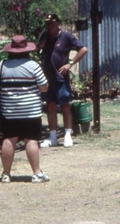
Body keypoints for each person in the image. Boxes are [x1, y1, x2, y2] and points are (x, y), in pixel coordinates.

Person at [0, 35, 50, 184]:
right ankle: (36, 173)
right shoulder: (33, 65)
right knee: (31, 140)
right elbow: (44, 87)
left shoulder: (2, 65)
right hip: (31, 110)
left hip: (9, 110)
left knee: (9, 139)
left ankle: (6, 174)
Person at [37, 13, 88, 148]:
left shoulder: (66, 37)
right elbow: (38, 51)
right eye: (47, 24)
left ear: (58, 23)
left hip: (60, 78)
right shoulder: (45, 36)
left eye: (52, 23)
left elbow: (83, 49)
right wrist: (39, 46)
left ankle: (67, 135)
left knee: (65, 105)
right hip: (47, 77)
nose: (50, 26)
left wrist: (70, 63)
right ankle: (53, 137)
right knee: (50, 106)